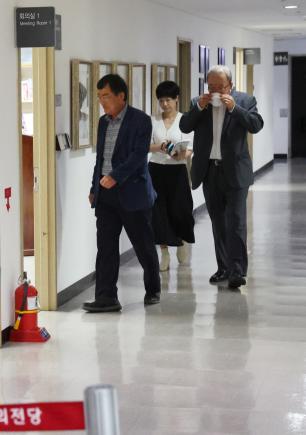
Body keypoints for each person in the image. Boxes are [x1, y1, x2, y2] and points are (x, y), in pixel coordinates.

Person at [180, 65, 263, 289]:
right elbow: (184, 126)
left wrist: (234, 108)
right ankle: (223, 267)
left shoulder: (245, 101)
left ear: (230, 85)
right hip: (210, 171)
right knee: (218, 222)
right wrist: (199, 107)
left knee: (236, 222)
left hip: (235, 171)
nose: (215, 92)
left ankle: (238, 271)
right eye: (211, 87)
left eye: (220, 87)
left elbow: (256, 125)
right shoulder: (199, 103)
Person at [82, 74, 161, 313]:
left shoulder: (141, 120)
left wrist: (115, 175)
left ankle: (153, 288)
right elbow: (101, 159)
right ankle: (106, 297)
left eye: (106, 96)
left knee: (143, 245)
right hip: (106, 195)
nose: (102, 101)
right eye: (99, 97)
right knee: (105, 247)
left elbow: (139, 155)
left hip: (133, 193)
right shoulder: (103, 122)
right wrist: (94, 188)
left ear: (121, 96)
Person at [149, 81, 196, 272]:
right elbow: (145, 145)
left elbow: (191, 147)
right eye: (161, 100)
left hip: (177, 170)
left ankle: (181, 241)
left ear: (177, 99)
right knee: (158, 212)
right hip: (156, 169)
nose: (164, 104)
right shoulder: (153, 120)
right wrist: (161, 146)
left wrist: (181, 156)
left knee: (181, 210)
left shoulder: (185, 120)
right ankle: (164, 254)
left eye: (168, 100)